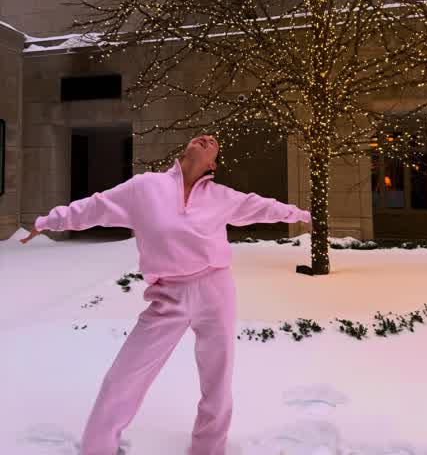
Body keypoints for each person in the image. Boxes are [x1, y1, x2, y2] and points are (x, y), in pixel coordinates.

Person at [21, 134, 312, 455]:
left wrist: (300, 214)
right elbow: (96, 207)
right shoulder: (145, 188)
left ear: (213, 165)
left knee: (217, 380)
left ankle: (208, 448)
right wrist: (49, 221)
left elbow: (260, 206)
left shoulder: (220, 197)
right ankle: (97, 448)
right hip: (168, 296)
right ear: (184, 150)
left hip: (215, 292)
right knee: (124, 377)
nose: (206, 138)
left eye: (213, 141)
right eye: (201, 137)